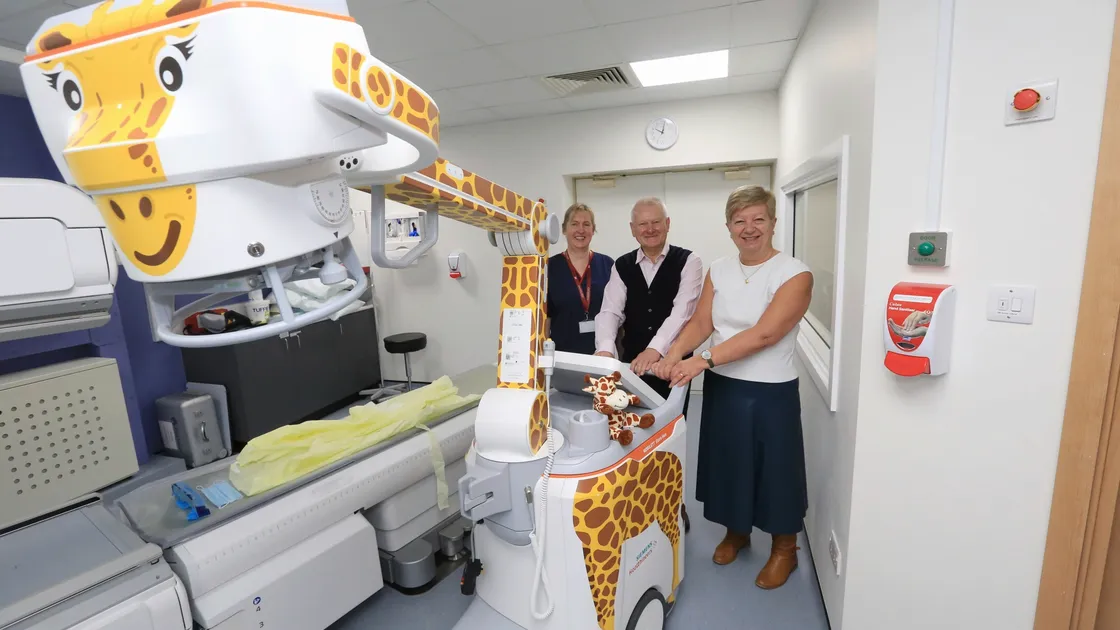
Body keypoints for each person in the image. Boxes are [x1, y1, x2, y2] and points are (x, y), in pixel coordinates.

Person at [652, 185, 813, 590]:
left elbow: (765, 334)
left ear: (773, 222)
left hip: (770, 391)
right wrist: (674, 353)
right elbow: (702, 322)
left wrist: (701, 360)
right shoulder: (720, 269)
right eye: (740, 221)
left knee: (775, 470)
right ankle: (737, 531)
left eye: (758, 219)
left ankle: (784, 548)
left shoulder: (794, 273)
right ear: (728, 226)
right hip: (724, 387)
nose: (749, 228)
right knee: (729, 463)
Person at [594, 197, 703, 401]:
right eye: (643, 224)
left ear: (667, 224)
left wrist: (655, 349)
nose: (650, 229)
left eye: (656, 222)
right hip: (632, 366)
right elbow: (610, 312)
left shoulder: (689, 261)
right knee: (629, 417)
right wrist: (605, 350)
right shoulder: (622, 265)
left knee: (672, 420)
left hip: (673, 367)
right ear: (633, 229)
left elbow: (682, 313)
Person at [546, 203, 615, 354]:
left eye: (586, 224)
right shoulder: (550, 267)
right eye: (575, 224)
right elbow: (545, 318)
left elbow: (617, 312)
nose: (581, 230)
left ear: (593, 229)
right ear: (564, 229)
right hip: (562, 356)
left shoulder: (608, 265)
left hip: (602, 354)